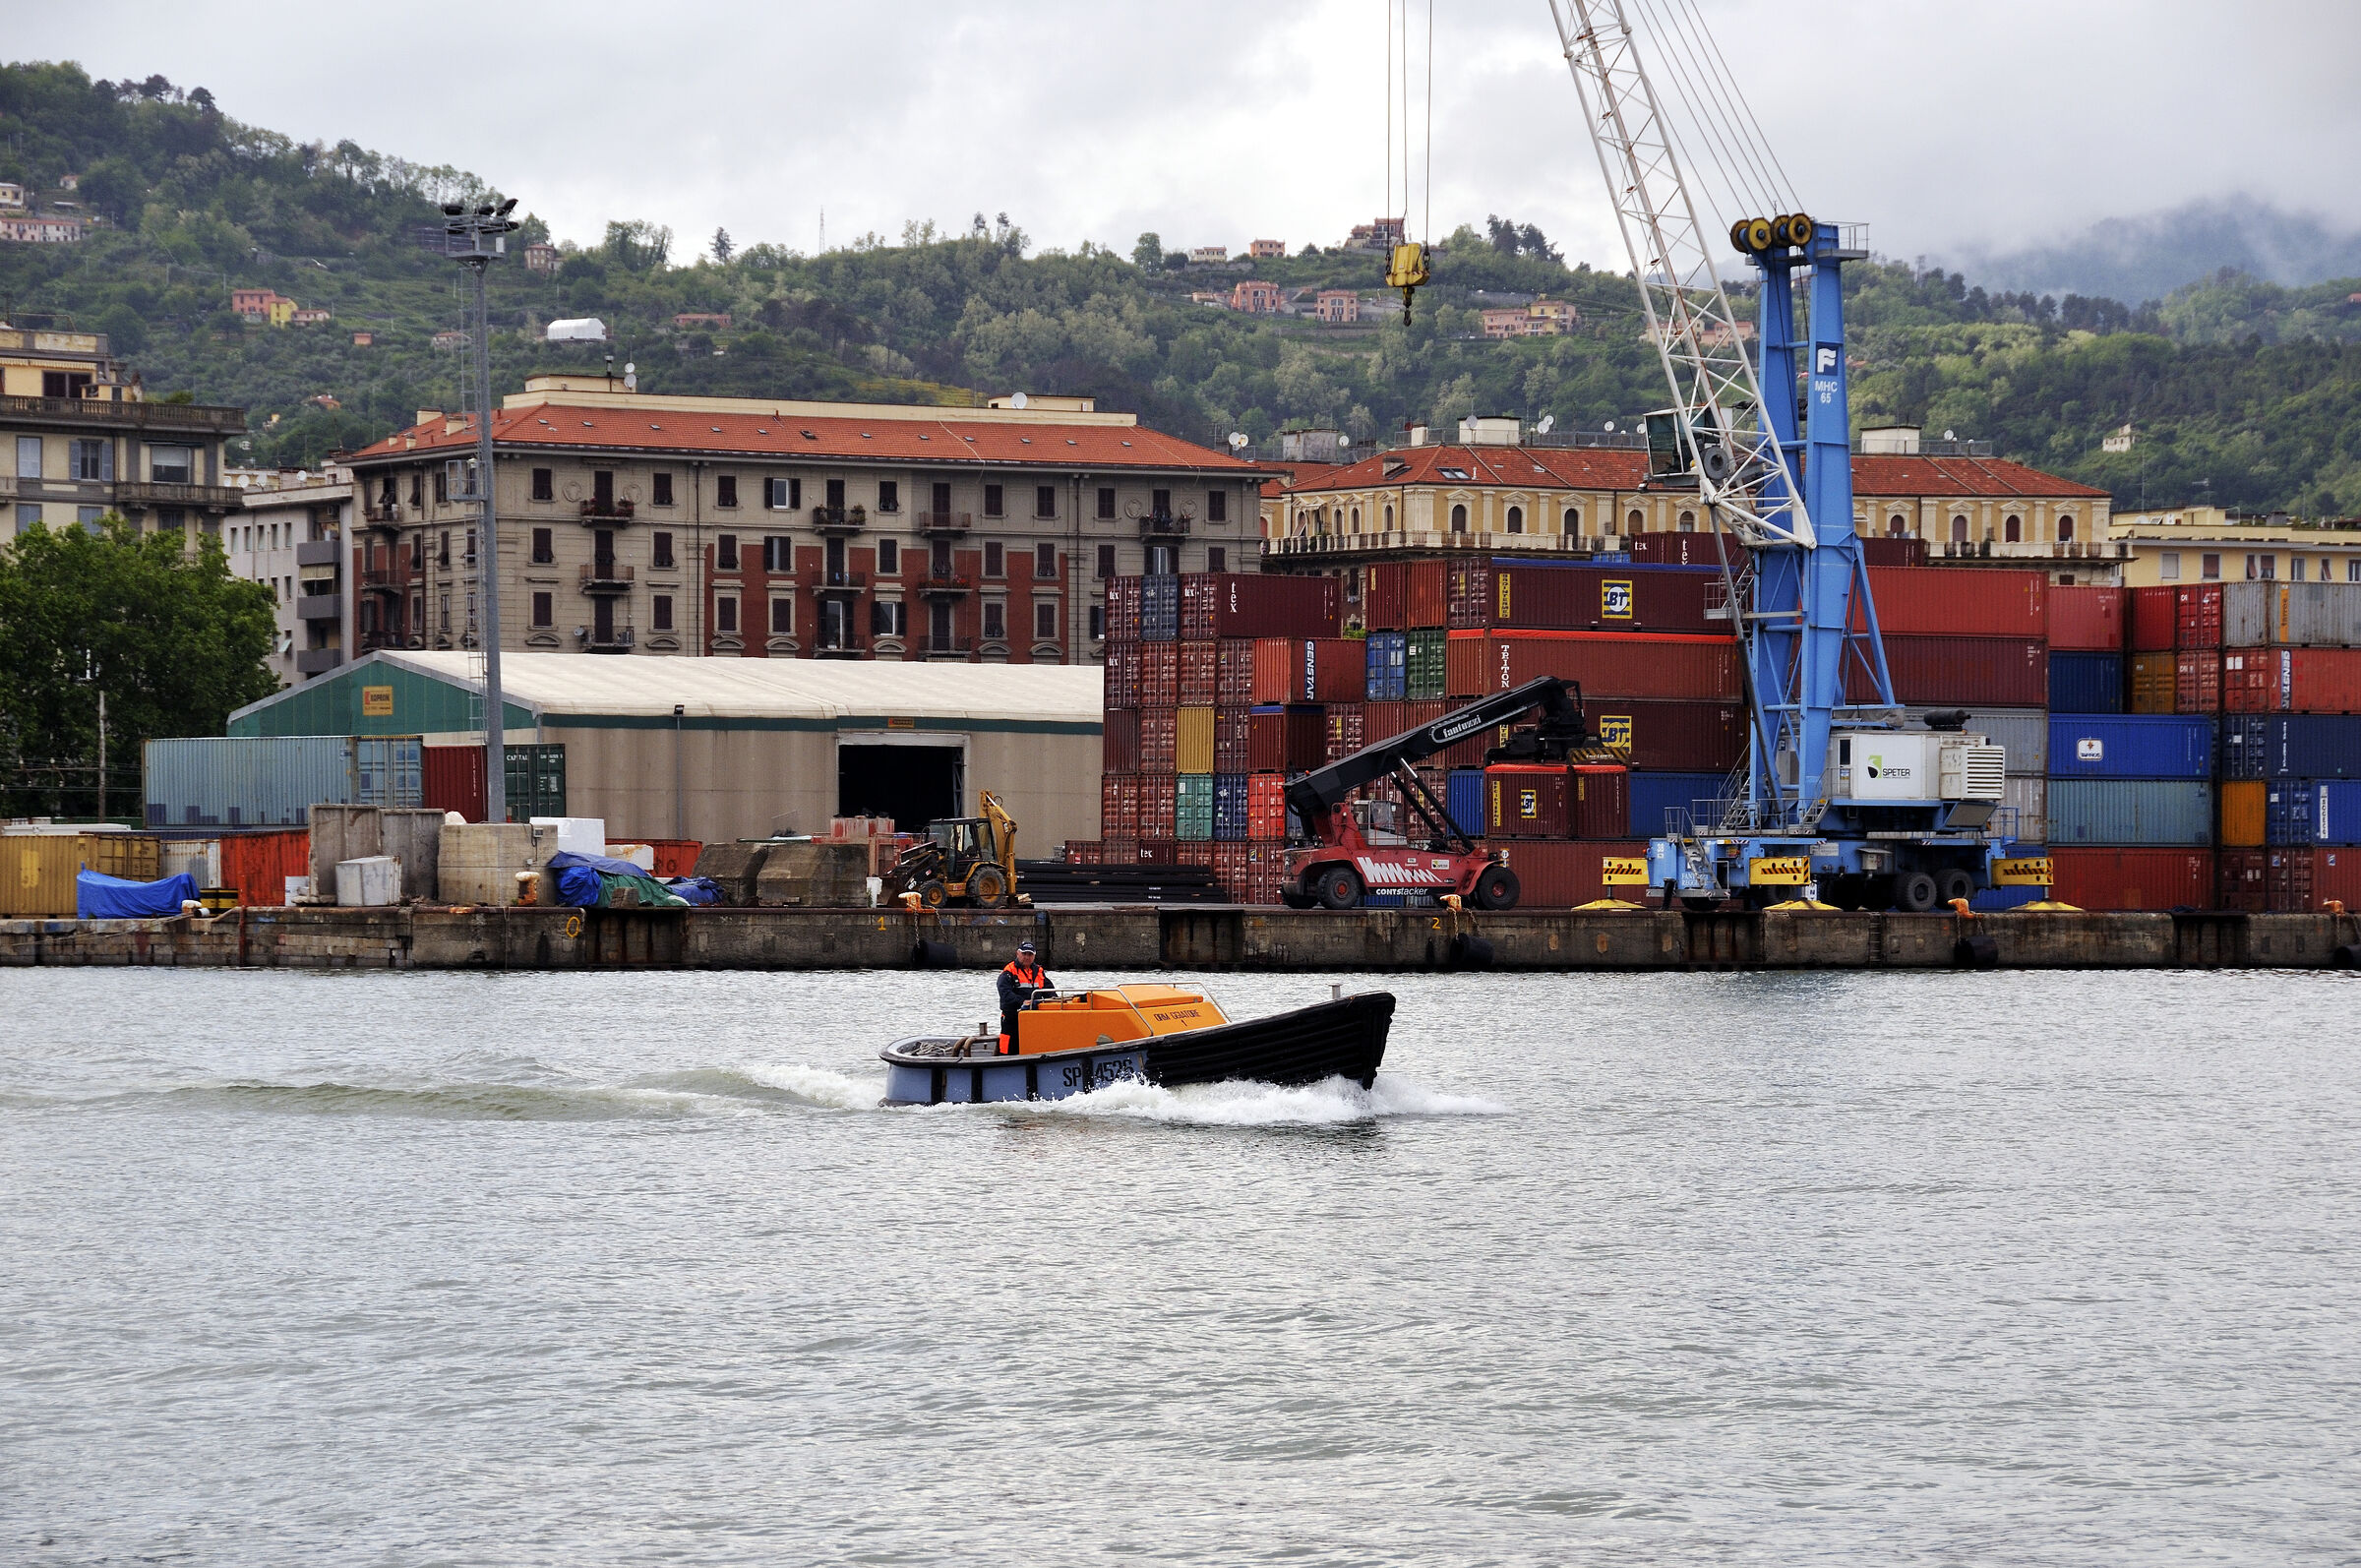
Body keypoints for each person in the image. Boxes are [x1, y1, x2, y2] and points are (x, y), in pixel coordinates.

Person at [997, 939, 1052, 1055]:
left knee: (1033, 1046)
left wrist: (1056, 1002)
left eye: (1030, 954)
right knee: (1008, 1048)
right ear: (1018, 954)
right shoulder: (1009, 972)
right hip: (1012, 1018)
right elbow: (1005, 994)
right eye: (1024, 954)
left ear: (1034, 956)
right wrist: (1023, 1002)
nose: (1027, 957)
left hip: (1034, 1018)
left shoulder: (1039, 972)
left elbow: (1049, 991)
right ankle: (1003, 1065)